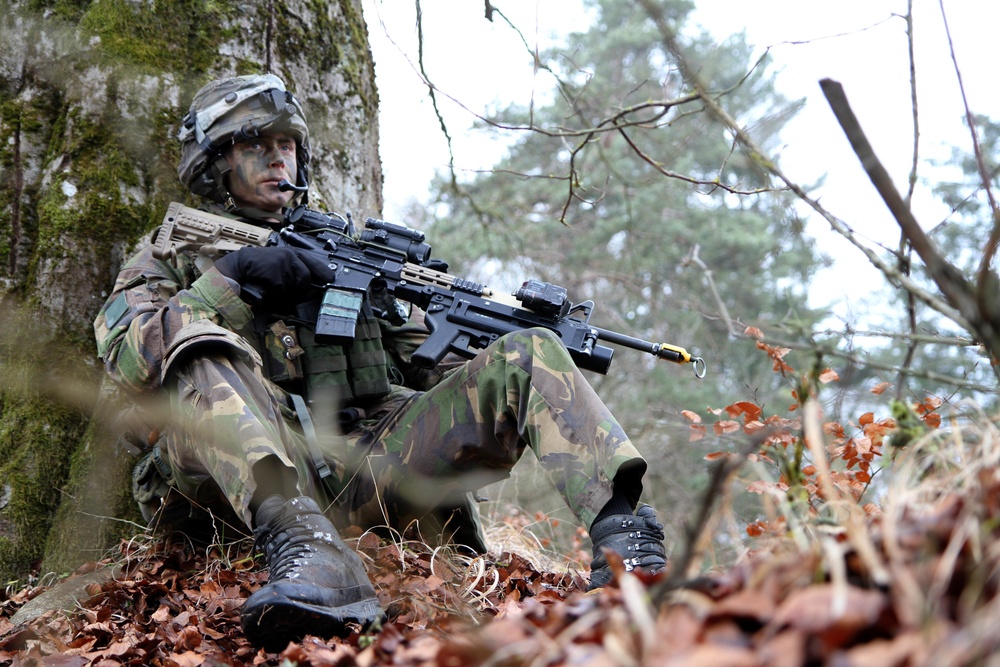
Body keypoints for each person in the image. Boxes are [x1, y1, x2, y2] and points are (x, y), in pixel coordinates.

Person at [93, 74, 667, 651]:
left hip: (368, 472)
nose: (276, 160)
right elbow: (128, 356)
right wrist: (231, 281)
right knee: (199, 349)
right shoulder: (171, 256)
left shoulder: (344, 251)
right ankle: (307, 552)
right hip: (241, 497)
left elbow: (433, 375)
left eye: (286, 146)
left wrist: (485, 333)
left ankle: (627, 544)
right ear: (215, 165)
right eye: (254, 147)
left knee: (529, 351)